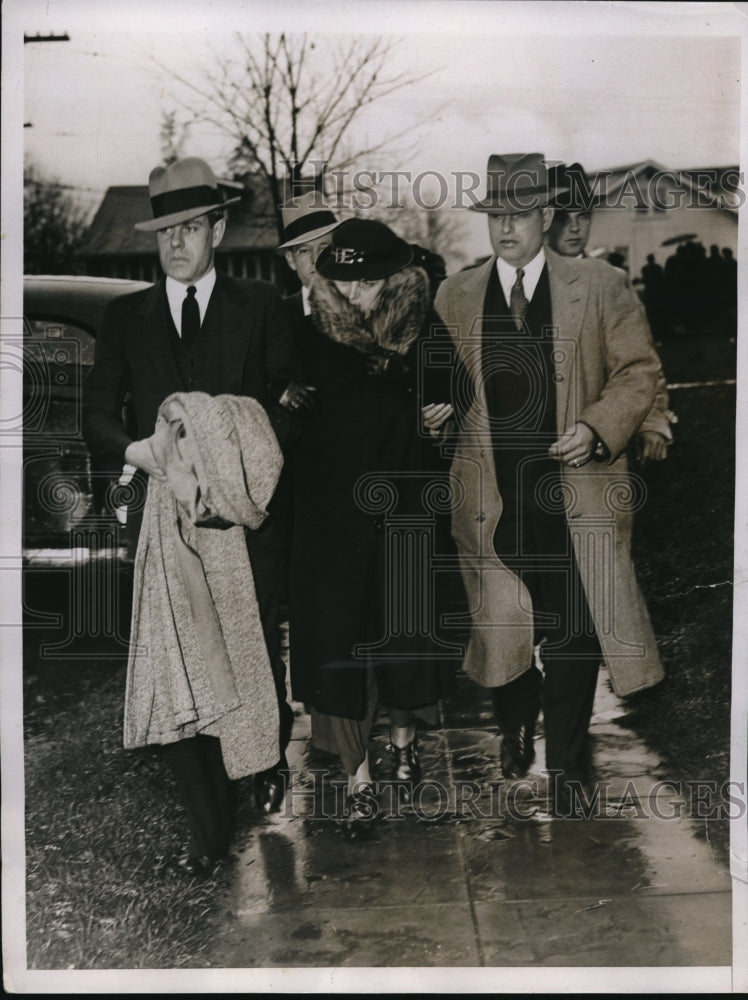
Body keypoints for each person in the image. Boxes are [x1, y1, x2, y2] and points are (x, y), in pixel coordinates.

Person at [82, 157, 309, 875]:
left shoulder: (264, 307)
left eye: (190, 227)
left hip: (245, 519)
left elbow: (294, 402)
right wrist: (140, 452)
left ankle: (261, 755)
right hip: (164, 518)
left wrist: (239, 463)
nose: (176, 243)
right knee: (180, 656)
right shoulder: (128, 318)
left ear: (218, 226)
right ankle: (210, 831)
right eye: (164, 231)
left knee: (249, 646)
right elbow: (96, 418)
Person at [434, 153, 665, 815]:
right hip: (492, 501)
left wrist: (597, 428)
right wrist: (435, 415)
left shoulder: (600, 285)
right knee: (502, 630)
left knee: (574, 628)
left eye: (518, 214)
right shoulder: (453, 296)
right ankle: (515, 717)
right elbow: (438, 394)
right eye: (494, 216)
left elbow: (638, 372)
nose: (505, 228)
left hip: (575, 494)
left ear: (545, 216)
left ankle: (565, 765)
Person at [287, 217, 464, 836]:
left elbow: (458, 400)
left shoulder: (427, 334)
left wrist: (448, 412)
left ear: (396, 278)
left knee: (405, 643)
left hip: (407, 517)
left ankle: (405, 743)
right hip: (334, 526)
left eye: (369, 282)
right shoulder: (310, 338)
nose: (357, 295)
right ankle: (359, 779)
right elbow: (287, 412)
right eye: (346, 282)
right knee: (343, 650)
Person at [546, 163, 676, 464]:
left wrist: (652, 420)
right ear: (544, 220)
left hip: (602, 436)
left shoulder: (612, 280)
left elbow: (642, 359)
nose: (575, 228)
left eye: (583, 217)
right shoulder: (528, 281)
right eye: (563, 218)